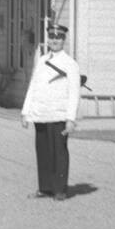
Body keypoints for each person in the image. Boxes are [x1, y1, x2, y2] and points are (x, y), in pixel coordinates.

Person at [20, 24, 80, 200]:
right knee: (43, 151)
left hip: (59, 114)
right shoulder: (41, 60)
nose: (54, 41)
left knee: (59, 152)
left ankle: (60, 189)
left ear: (63, 40)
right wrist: (26, 111)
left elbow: (74, 93)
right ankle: (45, 188)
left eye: (58, 38)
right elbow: (34, 86)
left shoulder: (70, 64)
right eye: (52, 37)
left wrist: (70, 118)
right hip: (41, 113)